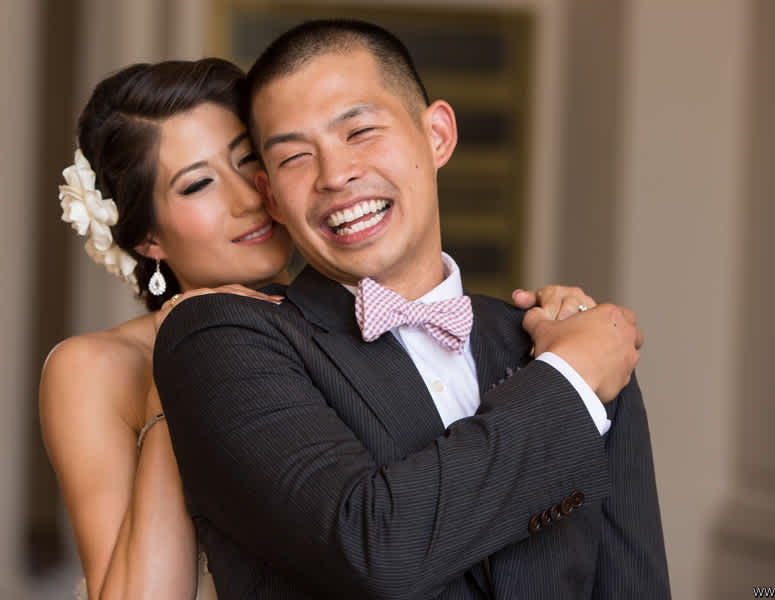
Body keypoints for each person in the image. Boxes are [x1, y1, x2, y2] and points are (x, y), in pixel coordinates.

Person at [39, 57, 594, 600]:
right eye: (198, 184)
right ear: (148, 238)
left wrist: (560, 342)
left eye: (251, 160)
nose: (247, 198)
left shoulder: (370, 319)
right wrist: (181, 373)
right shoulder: (96, 368)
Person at [154, 19, 669, 600]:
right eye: (295, 156)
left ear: (438, 135)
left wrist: (569, 366)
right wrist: (569, 381)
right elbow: (372, 547)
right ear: (271, 196)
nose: (335, 176)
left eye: (360, 131)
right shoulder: (222, 339)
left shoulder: (561, 341)